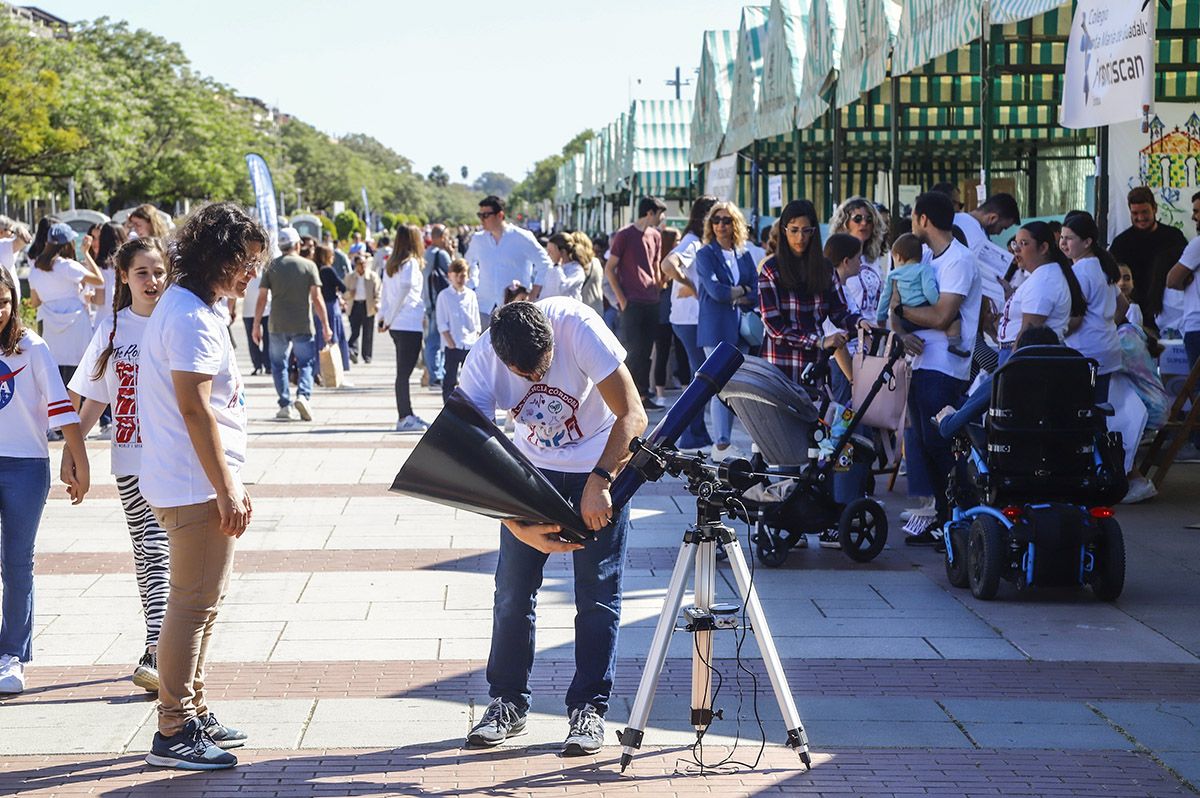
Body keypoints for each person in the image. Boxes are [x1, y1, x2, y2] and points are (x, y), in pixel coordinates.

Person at [456, 298, 647, 756]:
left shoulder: (578, 328)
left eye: (542, 368)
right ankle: (507, 701)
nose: (536, 380)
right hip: (529, 472)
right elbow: (469, 453)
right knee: (512, 593)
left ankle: (589, 709)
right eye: (524, 376)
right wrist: (515, 522)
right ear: (502, 358)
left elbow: (633, 414)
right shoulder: (482, 361)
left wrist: (601, 482)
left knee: (598, 596)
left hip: (597, 463)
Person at [135, 202, 266, 770]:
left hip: (192, 479)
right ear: (220, 254)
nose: (252, 274)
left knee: (201, 604)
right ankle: (174, 728)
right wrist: (226, 487)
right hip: (194, 484)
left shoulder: (194, 306)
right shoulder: (189, 314)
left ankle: (193, 709)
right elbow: (195, 408)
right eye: (247, 261)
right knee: (191, 605)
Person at [65, 237, 169, 692]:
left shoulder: (176, 322)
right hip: (128, 459)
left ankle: (159, 650)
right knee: (146, 555)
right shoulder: (111, 328)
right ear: (123, 277)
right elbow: (94, 400)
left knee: (161, 552)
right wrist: (73, 451)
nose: (152, 281)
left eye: (159, 271)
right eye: (142, 272)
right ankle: (160, 645)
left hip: (173, 461)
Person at [0, 268, 89, 696]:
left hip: (24, 466)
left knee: (17, 563)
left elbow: (61, 408)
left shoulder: (31, 347)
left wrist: (79, 459)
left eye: (3, 301)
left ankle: (11, 654)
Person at [891, 191, 983, 544]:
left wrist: (902, 314)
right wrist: (900, 324)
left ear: (923, 218)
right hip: (921, 360)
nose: (912, 222)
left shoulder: (959, 261)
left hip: (946, 365)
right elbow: (897, 301)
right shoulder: (926, 256)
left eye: (913, 216)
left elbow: (944, 315)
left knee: (942, 443)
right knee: (926, 442)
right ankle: (942, 517)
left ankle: (957, 517)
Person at [695, 201, 758, 456]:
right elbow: (716, 292)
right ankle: (720, 442)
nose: (721, 225)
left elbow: (756, 289)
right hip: (716, 326)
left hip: (742, 328)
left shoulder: (743, 254)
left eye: (727, 220)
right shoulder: (705, 254)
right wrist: (740, 292)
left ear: (736, 224)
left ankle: (726, 441)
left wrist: (740, 293)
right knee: (718, 384)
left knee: (736, 385)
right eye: (716, 220)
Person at [253, 226, 333, 422]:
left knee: (279, 364)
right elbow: (317, 298)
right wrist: (326, 325)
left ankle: (284, 404)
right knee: (306, 363)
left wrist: (256, 325)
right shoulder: (308, 266)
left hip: (277, 323)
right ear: (298, 244)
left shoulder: (271, 266)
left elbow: (262, 298)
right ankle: (303, 396)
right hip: (302, 323)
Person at [662, 196, 718, 451]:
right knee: (702, 380)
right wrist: (690, 285)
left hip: (691, 319)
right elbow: (668, 264)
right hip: (689, 320)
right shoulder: (692, 242)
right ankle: (689, 436)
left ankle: (695, 434)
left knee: (701, 378)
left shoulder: (696, 242)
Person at [27, 222, 106, 391]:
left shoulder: (35, 269)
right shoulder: (68, 266)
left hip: (48, 323)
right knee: (76, 376)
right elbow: (99, 281)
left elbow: (35, 302)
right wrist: (87, 254)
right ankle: (74, 416)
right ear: (68, 243)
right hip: (75, 323)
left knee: (52, 374)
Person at [606, 196, 667, 409]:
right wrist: (621, 299)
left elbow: (656, 265)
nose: (662, 218)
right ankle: (627, 399)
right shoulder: (624, 235)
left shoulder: (656, 236)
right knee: (632, 351)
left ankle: (642, 396)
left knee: (647, 351)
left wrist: (660, 285)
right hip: (632, 302)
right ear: (649, 213)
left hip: (652, 300)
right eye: (660, 214)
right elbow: (609, 268)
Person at [996, 222, 1084, 363]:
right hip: (1019, 353)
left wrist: (1011, 365)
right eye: (1015, 244)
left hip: (1025, 356)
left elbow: (1028, 331)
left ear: (1043, 248)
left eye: (1024, 243)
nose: (1016, 250)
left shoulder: (1044, 280)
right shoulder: (1040, 276)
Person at [1059, 212, 1123, 402]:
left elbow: (1076, 319)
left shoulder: (1080, 271)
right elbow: (1123, 305)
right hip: (1106, 348)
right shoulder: (1102, 266)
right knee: (1098, 408)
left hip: (1087, 353)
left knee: (1083, 410)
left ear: (1087, 242)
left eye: (1069, 238)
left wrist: (1054, 335)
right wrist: (1105, 326)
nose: (1063, 243)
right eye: (1062, 237)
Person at [464, 196, 554, 328]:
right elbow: (467, 263)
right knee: (483, 348)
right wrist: (474, 284)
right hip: (484, 306)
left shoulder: (522, 237)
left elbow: (545, 264)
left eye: (486, 215)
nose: (482, 219)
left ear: (500, 215)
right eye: (480, 215)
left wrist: (532, 295)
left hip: (514, 309)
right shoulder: (478, 239)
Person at [877, 233, 968, 356]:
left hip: (905, 320)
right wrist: (938, 306)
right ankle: (954, 342)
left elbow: (885, 297)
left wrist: (881, 317)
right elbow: (929, 290)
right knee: (954, 316)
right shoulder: (924, 269)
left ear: (898, 257)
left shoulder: (893, 275)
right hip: (923, 310)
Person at [1111, 186, 1189, 330]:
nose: (1140, 217)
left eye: (1144, 212)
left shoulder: (1174, 237)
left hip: (1170, 316)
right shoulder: (1120, 244)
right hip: (1131, 318)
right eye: (1135, 213)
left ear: (1155, 209)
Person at [379, 225, 428, 432]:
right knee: (404, 373)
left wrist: (384, 317)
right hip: (407, 323)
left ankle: (406, 414)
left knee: (403, 372)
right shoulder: (411, 264)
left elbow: (385, 294)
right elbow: (405, 289)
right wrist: (388, 317)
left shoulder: (391, 265)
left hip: (398, 324)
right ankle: (404, 416)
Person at [1164, 190, 1200, 460]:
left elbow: (1173, 280)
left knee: (1198, 389)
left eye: (1198, 211)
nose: (1195, 217)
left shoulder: (1197, 244)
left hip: (1197, 325)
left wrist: (1186, 276)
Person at [830, 197, 887, 312]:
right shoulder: (836, 259)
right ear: (844, 224)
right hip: (848, 326)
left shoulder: (874, 259)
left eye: (869, 219)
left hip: (874, 327)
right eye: (857, 219)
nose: (864, 223)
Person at [436, 258, 480, 402]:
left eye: (463, 275)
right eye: (457, 275)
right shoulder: (444, 295)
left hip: (469, 343)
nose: (460, 279)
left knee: (469, 381)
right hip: (453, 343)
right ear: (450, 276)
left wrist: (476, 338)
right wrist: (450, 341)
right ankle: (448, 406)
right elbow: (442, 322)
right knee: (450, 378)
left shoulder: (471, 295)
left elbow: (475, 320)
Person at [314, 243, 351, 374]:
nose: (333, 258)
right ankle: (336, 368)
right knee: (334, 337)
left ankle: (318, 369)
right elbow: (342, 287)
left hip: (318, 306)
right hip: (331, 305)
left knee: (319, 338)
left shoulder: (315, 269)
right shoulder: (328, 270)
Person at [423, 226, 452, 387]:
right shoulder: (441, 254)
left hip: (429, 301)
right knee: (435, 340)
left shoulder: (427, 253)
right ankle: (436, 374)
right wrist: (451, 253)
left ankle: (436, 372)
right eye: (447, 236)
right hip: (438, 302)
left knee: (432, 339)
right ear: (441, 237)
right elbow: (454, 272)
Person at [343, 253, 380, 364]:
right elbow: (344, 293)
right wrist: (350, 294)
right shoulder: (350, 277)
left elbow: (378, 292)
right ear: (355, 265)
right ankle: (353, 352)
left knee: (368, 332)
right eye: (360, 264)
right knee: (355, 331)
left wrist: (377, 304)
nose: (363, 266)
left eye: (364, 263)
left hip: (368, 305)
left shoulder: (372, 276)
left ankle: (367, 356)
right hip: (354, 306)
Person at [242, 262, 271, 376]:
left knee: (268, 339)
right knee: (252, 340)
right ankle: (257, 365)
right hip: (248, 311)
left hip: (267, 309)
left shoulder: (266, 268)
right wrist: (231, 309)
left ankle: (268, 365)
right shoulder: (244, 268)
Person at [543, 232, 588, 301]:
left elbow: (562, 288)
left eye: (551, 251)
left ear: (562, 252)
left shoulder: (576, 270)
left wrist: (558, 265)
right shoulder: (552, 268)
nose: (548, 254)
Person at [0, 217, 32, 298]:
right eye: (11, 231)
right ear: (1, 232)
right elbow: (25, 239)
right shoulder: (4, 245)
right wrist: (19, 228)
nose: (13, 235)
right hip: (7, 299)